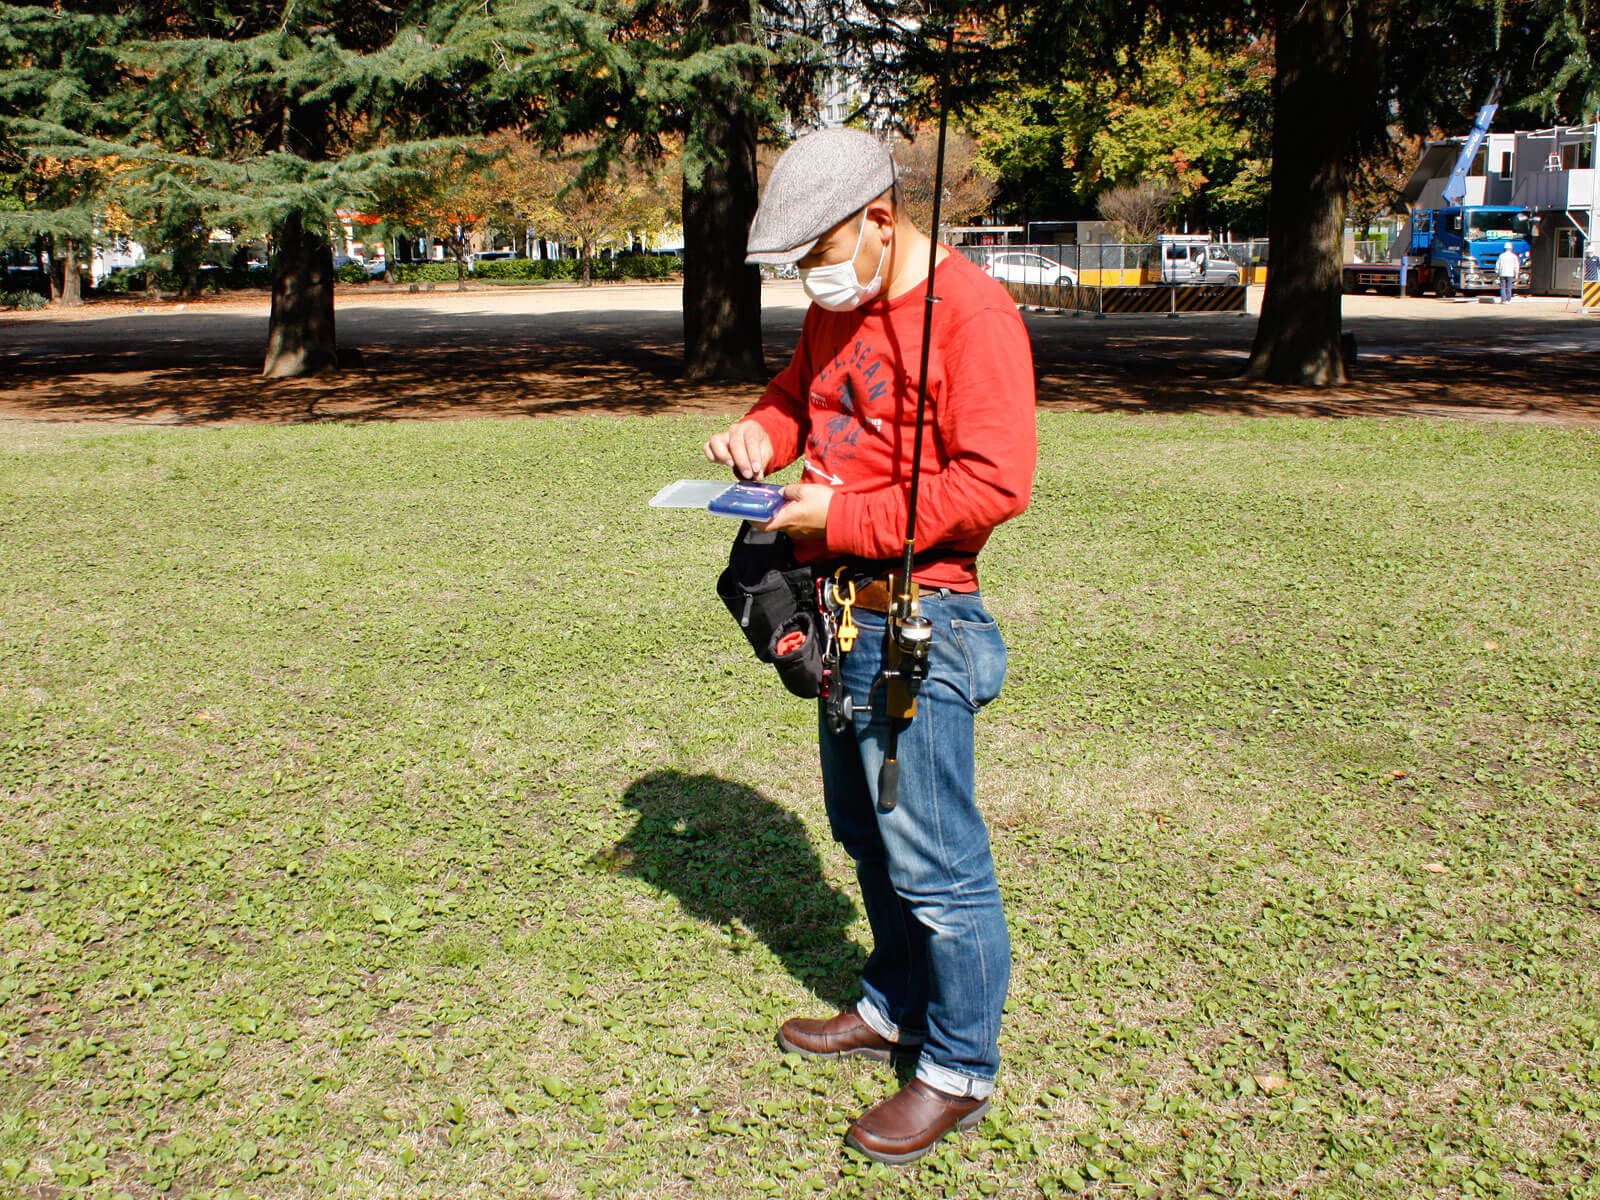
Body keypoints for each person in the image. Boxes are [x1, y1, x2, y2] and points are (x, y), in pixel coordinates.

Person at [702, 127, 1037, 1164]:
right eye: (797, 269)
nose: (812, 282)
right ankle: (893, 1007)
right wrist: (763, 435)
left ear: (880, 222)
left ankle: (957, 1067)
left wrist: (834, 524)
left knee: (937, 863)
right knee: (862, 830)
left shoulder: (974, 315)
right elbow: (799, 401)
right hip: (842, 610)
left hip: (919, 619)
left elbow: (993, 484)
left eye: (818, 257)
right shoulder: (832, 308)